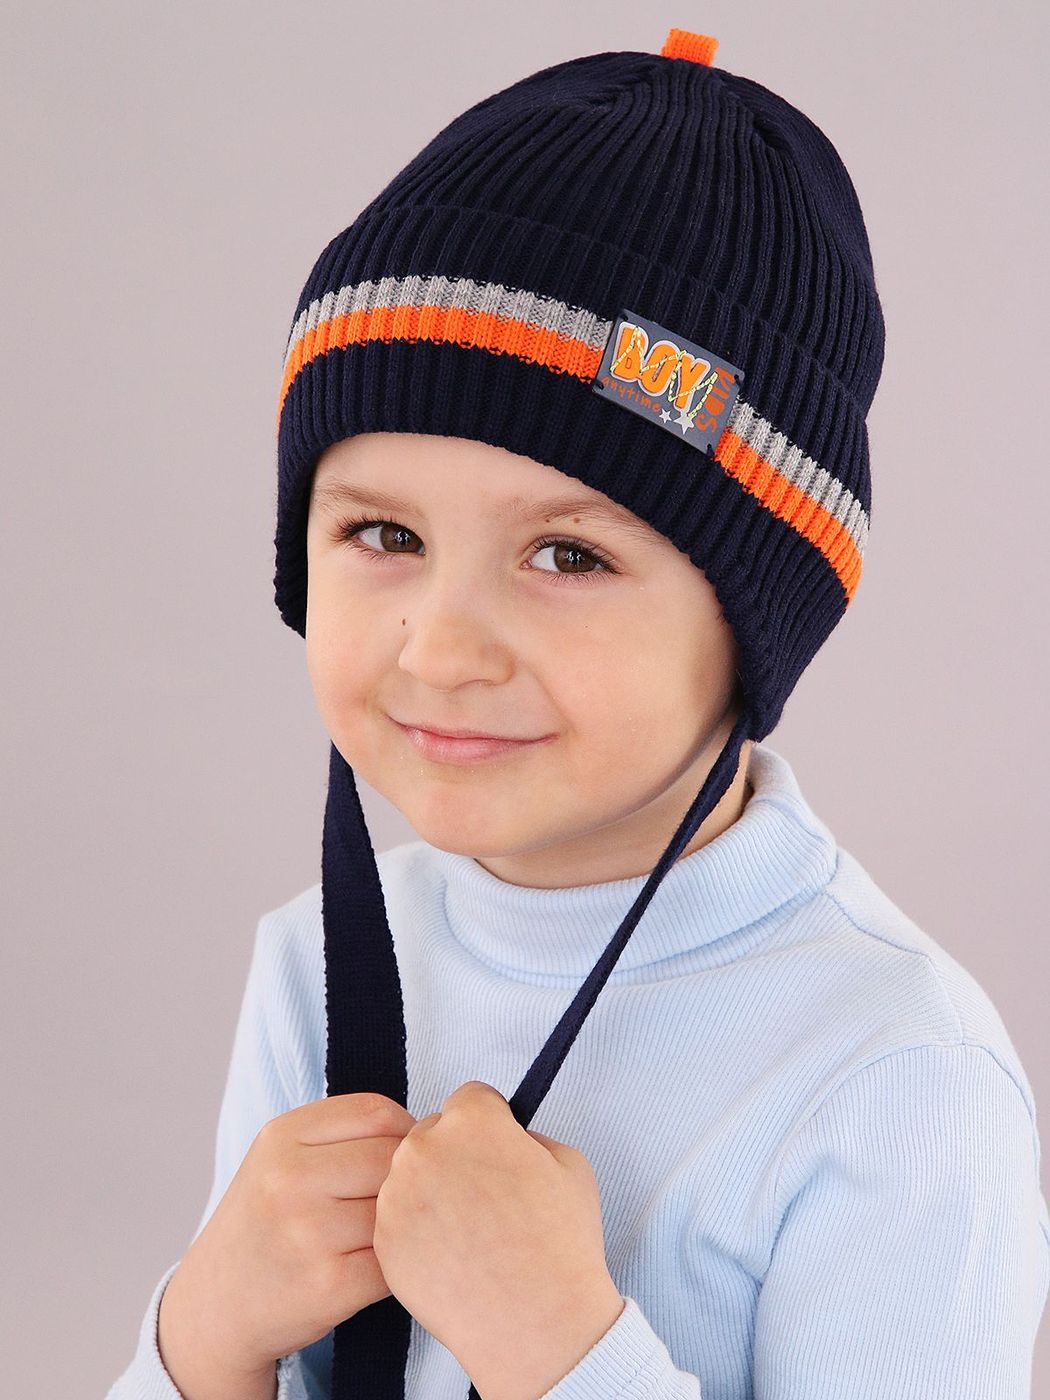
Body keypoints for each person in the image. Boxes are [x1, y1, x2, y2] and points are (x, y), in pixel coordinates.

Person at [107, 26, 1050, 1400]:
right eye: (382, 534)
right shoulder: (319, 960)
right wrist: (204, 1333)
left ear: (753, 621)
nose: (442, 648)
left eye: (566, 556)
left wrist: (565, 1350)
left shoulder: (891, 1072)